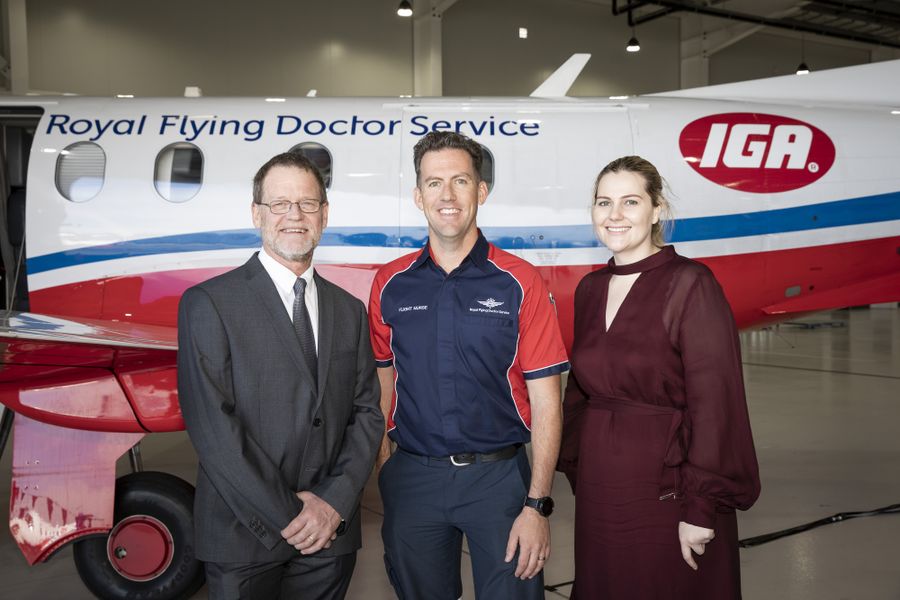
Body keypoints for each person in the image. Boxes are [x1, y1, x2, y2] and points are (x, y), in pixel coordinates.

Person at [368, 131, 569, 600]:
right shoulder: (390, 283)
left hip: (498, 483)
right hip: (414, 478)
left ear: (481, 191)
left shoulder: (519, 281)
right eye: (434, 183)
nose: (448, 195)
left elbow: (547, 403)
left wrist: (537, 505)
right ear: (419, 196)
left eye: (460, 180)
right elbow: (381, 392)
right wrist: (387, 475)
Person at [177, 152, 383, 599]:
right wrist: (290, 514)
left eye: (308, 204)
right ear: (257, 214)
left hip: (330, 538)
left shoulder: (349, 311)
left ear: (324, 216)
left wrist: (333, 504)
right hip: (243, 535)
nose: (294, 215)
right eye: (280, 204)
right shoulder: (209, 303)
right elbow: (214, 428)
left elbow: (367, 414)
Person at [557, 155, 761, 599]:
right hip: (602, 489)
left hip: (668, 490)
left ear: (656, 210)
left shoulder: (690, 284)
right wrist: (573, 463)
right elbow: (581, 394)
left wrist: (702, 506)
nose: (614, 215)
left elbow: (715, 403)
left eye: (630, 201)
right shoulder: (591, 289)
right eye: (603, 202)